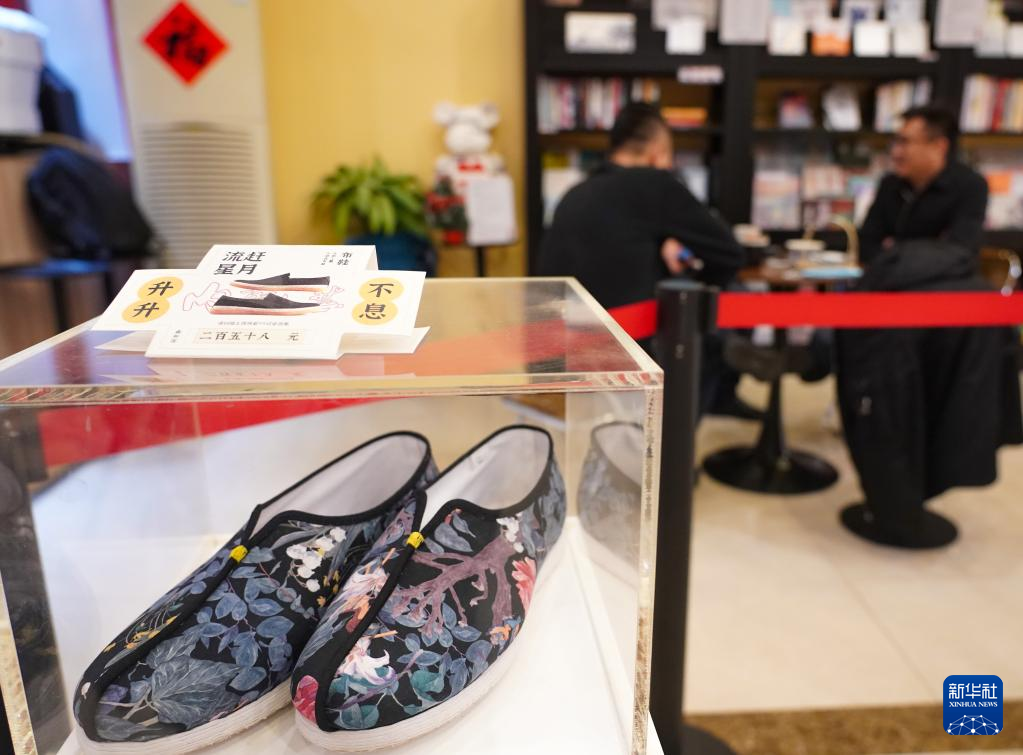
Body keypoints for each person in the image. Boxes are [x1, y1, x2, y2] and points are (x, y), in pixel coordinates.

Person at [538, 102, 754, 418]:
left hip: (552, 358)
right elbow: (730, 255)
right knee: (716, 320)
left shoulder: (575, 193)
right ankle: (684, 436)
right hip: (622, 357)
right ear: (657, 151)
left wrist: (661, 243)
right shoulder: (656, 183)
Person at [860, 104, 989, 265]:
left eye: (905, 142)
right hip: (889, 276)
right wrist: (932, 247)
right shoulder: (890, 184)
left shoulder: (970, 185)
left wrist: (895, 249)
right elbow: (866, 246)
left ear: (939, 146)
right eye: (895, 142)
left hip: (942, 279)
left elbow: (959, 251)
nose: (895, 153)